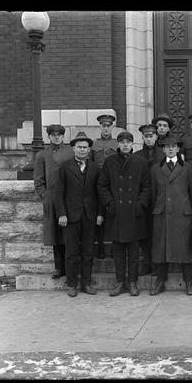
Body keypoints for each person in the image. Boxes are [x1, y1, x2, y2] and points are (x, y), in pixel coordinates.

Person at [98, 131, 151, 297]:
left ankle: (133, 282)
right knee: (118, 253)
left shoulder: (140, 162)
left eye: (128, 141)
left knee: (134, 253)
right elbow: (102, 186)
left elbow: (147, 186)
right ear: (118, 144)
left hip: (134, 213)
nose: (125, 144)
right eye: (122, 142)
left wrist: (140, 204)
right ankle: (120, 282)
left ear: (132, 144)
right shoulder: (110, 162)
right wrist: (110, 203)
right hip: (117, 213)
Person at [55, 132, 104, 297]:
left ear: (89, 149)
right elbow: (58, 192)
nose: (83, 150)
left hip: (89, 216)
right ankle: (72, 284)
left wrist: (99, 214)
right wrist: (61, 214)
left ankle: (86, 284)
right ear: (73, 148)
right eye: (79, 147)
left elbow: (99, 193)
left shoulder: (95, 168)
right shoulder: (65, 167)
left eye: (85, 147)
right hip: (70, 216)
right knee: (71, 252)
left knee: (88, 252)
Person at [149, 135, 192, 296]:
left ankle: (188, 281)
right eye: (167, 146)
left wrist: (188, 209)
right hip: (162, 213)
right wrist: (157, 208)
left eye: (174, 146)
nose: (170, 149)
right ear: (163, 149)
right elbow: (153, 194)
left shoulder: (188, 168)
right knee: (161, 249)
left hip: (182, 215)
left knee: (184, 250)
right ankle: (160, 281)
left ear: (178, 149)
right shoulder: (155, 169)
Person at [33, 124, 74, 280]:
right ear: (48, 137)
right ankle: (59, 268)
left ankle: (70, 267)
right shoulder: (42, 155)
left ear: (63, 136)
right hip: (51, 199)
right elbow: (38, 180)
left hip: (68, 198)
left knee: (68, 233)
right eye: (53, 135)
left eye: (59, 135)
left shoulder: (70, 151)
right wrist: (45, 196)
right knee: (55, 234)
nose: (56, 137)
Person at [134, 123, 165, 276]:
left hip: (160, 199)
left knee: (158, 233)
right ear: (143, 138)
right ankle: (146, 262)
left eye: (151, 136)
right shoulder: (137, 155)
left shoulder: (164, 154)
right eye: (146, 136)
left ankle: (158, 264)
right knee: (144, 233)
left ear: (156, 136)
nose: (149, 139)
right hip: (143, 201)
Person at [90, 114, 118, 259]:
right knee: (98, 215)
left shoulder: (117, 143)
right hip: (98, 182)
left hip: (113, 183)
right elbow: (90, 164)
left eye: (108, 125)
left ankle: (114, 247)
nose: (106, 128)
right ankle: (100, 247)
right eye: (103, 126)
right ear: (100, 127)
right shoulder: (94, 145)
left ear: (112, 126)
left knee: (113, 215)